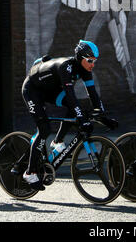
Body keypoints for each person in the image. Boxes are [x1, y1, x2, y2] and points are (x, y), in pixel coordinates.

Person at [22, 40, 118, 190]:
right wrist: (82, 119)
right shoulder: (65, 67)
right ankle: (30, 173)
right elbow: (70, 95)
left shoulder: (85, 70)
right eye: (90, 61)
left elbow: (93, 94)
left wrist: (103, 116)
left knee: (75, 108)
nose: (93, 64)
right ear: (80, 57)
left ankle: (58, 141)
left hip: (49, 90)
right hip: (32, 90)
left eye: (95, 61)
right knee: (45, 129)